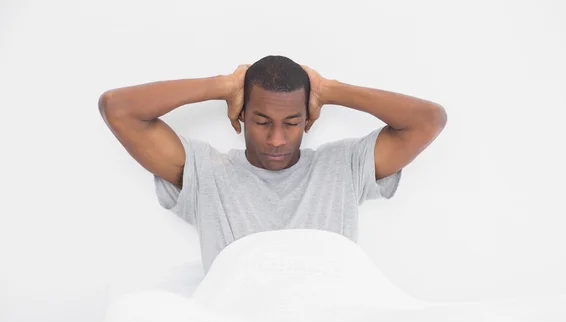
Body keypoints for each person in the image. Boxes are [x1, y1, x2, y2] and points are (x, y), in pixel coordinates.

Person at [98, 55, 447, 272]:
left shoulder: (343, 166)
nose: (277, 139)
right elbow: (118, 108)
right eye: (262, 121)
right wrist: (225, 85)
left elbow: (429, 120)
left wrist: (327, 90)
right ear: (240, 116)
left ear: (308, 119)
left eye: (291, 123)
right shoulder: (207, 172)